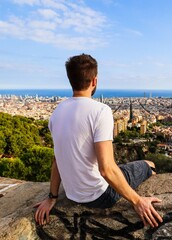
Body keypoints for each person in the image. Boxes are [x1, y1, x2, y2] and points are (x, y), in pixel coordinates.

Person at [34, 54, 162, 228]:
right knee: (149, 164)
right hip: (101, 196)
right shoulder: (100, 111)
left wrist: (52, 197)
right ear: (94, 81)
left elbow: (57, 159)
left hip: (72, 194)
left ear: (70, 80)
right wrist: (138, 201)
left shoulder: (57, 113)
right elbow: (106, 170)